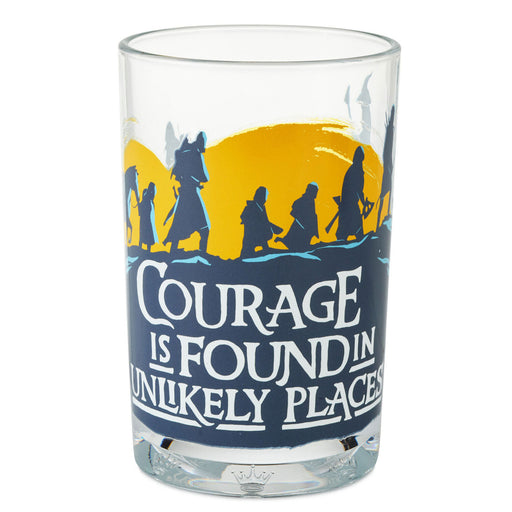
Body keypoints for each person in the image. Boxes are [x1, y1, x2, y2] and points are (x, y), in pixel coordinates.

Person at [163, 132, 210, 254]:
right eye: (203, 142)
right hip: (192, 194)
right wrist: (194, 180)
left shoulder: (182, 154)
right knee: (205, 228)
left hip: (184, 194)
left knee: (179, 224)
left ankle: (173, 251)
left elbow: (177, 175)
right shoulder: (196, 155)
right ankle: (202, 255)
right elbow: (205, 177)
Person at [335, 146, 371, 241]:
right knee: (356, 227)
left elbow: (358, 190)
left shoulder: (353, 169)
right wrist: (364, 202)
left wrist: (364, 202)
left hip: (347, 206)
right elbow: (358, 190)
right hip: (350, 205)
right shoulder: (356, 170)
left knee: (345, 230)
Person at [240, 186, 282, 258]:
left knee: (264, 247)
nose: (266, 198)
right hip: (252, 236)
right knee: (246, 253)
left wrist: (274, 228)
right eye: (266, 196)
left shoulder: (262, 207)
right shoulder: (250, 207)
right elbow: (244, 217)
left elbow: (265, 221)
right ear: (261, 196)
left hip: (260, 235)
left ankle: (266, 250)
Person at [276, 182, 319, 251]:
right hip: (301, 226)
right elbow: (295, 209)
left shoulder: (311, 200)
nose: (316, 194)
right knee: (297, 239)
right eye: (315, 192)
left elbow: (312, 214)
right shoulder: (303, 200)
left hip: (306, 227)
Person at [138, 182, 158, 252]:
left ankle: (146, 250)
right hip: (145, 219)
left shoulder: (149, 197)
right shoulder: (147, 197)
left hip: (148, 219)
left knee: (147, 235)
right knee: (144, 234)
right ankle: (141, 250)